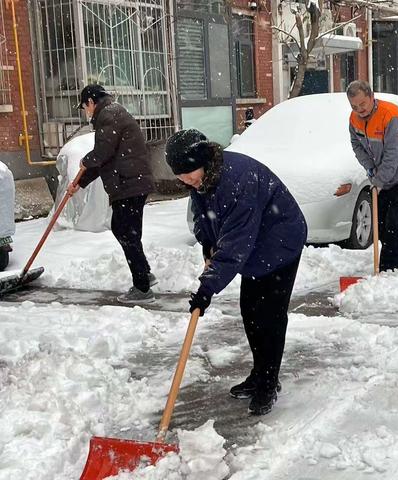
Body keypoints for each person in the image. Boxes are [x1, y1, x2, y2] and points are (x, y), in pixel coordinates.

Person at [165, 129, 307, 415]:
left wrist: (206, 288)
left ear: (204, 161)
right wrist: (207, 244)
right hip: (255, 247)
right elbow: (205, 215)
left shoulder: (236, 181)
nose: (186, 180)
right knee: (251, 312)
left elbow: (235, 243)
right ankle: (259, 373)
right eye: (180, 175)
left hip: (280, 242)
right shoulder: (204, 179)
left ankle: (268, 383)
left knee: (270, 316)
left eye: (189, 173)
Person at [68, 84, 156, 304]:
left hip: (129, 184)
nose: (86, 112)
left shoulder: (109, 115)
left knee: (126, 231)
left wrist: (85, 161)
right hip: (131, 182)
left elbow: (101, 154)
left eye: (84, 107)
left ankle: (142, 288)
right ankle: (144, 273)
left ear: (90, 102)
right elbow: (106, 159)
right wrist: (81, 182)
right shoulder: (112, 113)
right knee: (127, 231)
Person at [347, 80, 398, 271]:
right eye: (354, 106)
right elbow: (357, 145)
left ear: (371, 97)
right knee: (380, 226)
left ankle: (389, 269)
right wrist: (370, 169)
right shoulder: (354, 119)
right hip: (380, 176)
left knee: (394, 225)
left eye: (362, 104)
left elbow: (393, 155)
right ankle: (395, 266)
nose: (359, 109)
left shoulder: (391, 115)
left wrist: (378, 180)